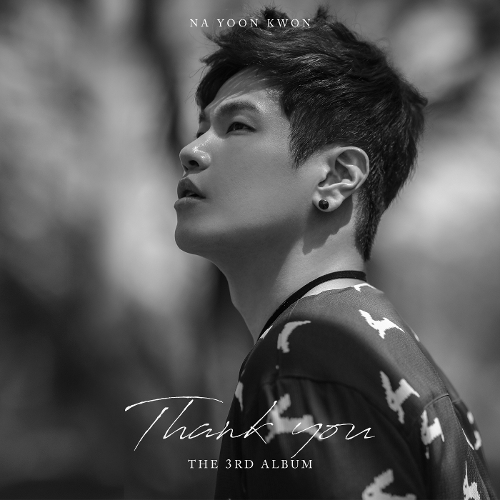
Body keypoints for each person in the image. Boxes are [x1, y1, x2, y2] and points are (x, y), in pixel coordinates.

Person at [174, 6, 497, 499]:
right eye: (201, 128)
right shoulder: (383, 356)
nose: (193, 149)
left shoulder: (308, 357)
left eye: (237, 126)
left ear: (337, 177)